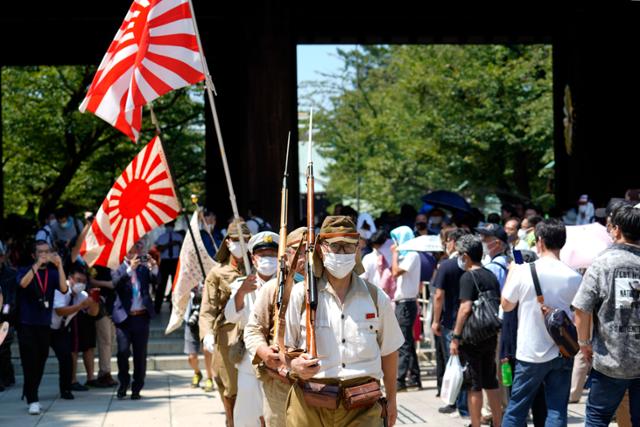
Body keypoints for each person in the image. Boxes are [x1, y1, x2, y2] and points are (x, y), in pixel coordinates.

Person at [284, 216, 404, 427]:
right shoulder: (300, 295)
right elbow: (285, 349)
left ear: (358, 249)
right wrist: (294, 365)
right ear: (321, 248)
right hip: (310, 403)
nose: (341, 253)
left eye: (348, 246)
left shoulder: (375, 297)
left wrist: (392, 400)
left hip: (362, 404)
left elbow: (389, 352)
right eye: (335, 246)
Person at [501, 219, 582, 427]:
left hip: (531, 350)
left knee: (517, 408)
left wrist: (512, 271)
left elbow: (507, 305)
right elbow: (580, 314)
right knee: (556, 409)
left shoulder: (523, 270)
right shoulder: (574, 277)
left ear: (539, 241)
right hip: (563, 349)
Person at [572, 204, 640, 426]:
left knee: (597, 417)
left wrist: (584, 343)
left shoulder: (603, 263)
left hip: (610, 358)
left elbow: (581, 307)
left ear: (617, 230)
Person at [244, 226, 306, 427]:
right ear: (287, 255)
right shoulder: (274, 287)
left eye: (309, 249)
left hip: (320, 383)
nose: (303, 256)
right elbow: (253, 329)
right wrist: (263, 352)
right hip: (281, 379)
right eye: (297, 250)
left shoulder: (331, 288)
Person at [199, 219, 252, 427]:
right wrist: (207, 333)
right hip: (227, 336)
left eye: (246, 240)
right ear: (228, 242)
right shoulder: (217, 273)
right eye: (238, 239)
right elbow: (208, 307)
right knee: (231, 389)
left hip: (254, 332)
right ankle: (231, 422)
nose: (242, 243)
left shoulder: (256, 268)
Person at [225, 231, 279, 427]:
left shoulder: (289, 284)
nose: (268, 260)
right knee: (248, 417)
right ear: (253, 259)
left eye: (272, 255)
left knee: (276, 416)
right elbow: (230, 316)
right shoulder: (241, 284)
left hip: (279, 360)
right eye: (263, 255)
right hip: (250, 360)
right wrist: (241, 293)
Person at [449, 235, 502, 427]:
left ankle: (475, 423)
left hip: (471, 338)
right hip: (489, 334)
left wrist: (455, 336)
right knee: (491, 380)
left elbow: (465, 308)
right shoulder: (490, 275)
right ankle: (498, 422)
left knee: (474, 384)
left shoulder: (467, 277)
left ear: (466, 256)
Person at [16, 241, 68, 415]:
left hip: (44, 324)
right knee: (29, 361)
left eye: (47, 252)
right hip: (26, 323)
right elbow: (23, 284)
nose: (45, 255)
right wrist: (37, 265)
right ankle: (33, 399)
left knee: (41, 359)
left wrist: (60, 266)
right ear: (34, 255)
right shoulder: (25, 270)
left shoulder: (52, 273)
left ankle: (30, 390)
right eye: (41, 252)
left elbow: (63, 288)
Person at [111, 241, 158, 400]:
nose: (133, 253)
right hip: (124, 318)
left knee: (140, 354)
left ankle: (137, 386)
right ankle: (123, 383)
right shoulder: (118, 268)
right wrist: (130, 270)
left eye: (135, 249)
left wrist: (154, 267)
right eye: (129, 250)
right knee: (122, 352)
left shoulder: (143, 268)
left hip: (141, 316)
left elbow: (155, 281)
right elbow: (115, 284)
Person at [431, 228, 469, 414]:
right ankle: (464, 402)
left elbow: (439, 296)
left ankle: (455, 402)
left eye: (447, 241)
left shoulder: (446, 265)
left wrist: (435, 320)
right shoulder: (472, 263)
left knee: (452, 362)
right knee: (465, 362)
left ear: (453, 242)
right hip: (470, 321)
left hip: (449, 320)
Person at [50, 265, 100, 400]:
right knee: (38, 360)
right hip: (46, 328)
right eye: (78, 280)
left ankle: (66, 389)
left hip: (61, 330)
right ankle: (31, 391)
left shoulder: (82, 295)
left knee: (66, 358)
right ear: (70, 279)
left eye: (84, 281)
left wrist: (94, 301)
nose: (80, 284)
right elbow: (59, 311)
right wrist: (80, 306)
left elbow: (92, 313)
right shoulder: (61, 289)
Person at [390, 225, 422, 391]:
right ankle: (415, 377)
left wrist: (395, 254)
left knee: (403, 343)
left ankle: (400, 380)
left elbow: (395, 272)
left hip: (406, 303)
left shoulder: (412, 255)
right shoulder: (407, 256)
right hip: (402, 302)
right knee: (407, 341)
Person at [184, 281, 214, 392]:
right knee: (191, 356)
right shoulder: (187, 279)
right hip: (191, 320)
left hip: (206, 321)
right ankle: (197, 372)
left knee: (207, 351)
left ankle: (209, 377)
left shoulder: (208, 276)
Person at [154, 221, 183, 314]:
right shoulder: (162, 237)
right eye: (168, 225)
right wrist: (169, 244)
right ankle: (157, 307)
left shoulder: (178, 236)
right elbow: (158, 249)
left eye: (171, 225)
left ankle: (174, 306)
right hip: (165, 261)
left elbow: (183, 249)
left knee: (176, 285)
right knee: (161, 285)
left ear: (173, 226)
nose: (170, 227)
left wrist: (178, 244)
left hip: (175, 261)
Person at [0, 241, 17, 391]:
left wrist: (4, 310)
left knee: (3, 349)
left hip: (5, 318)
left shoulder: (11, 274)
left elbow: (11, 299)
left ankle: (6, 376)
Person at [360, 230, 395, 299]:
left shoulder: (368, 258)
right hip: (385, 296)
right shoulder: (392, 256)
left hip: (374, 296)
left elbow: (363, 278)